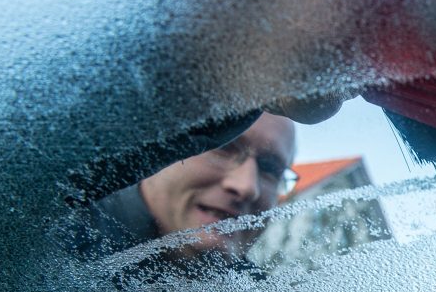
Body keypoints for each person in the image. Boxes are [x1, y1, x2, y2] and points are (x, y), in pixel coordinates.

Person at [81, 112, 297, 262]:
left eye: (270, 168)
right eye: (223, 147)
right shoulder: (62, 242)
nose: (247, 186)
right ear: (160, 145)